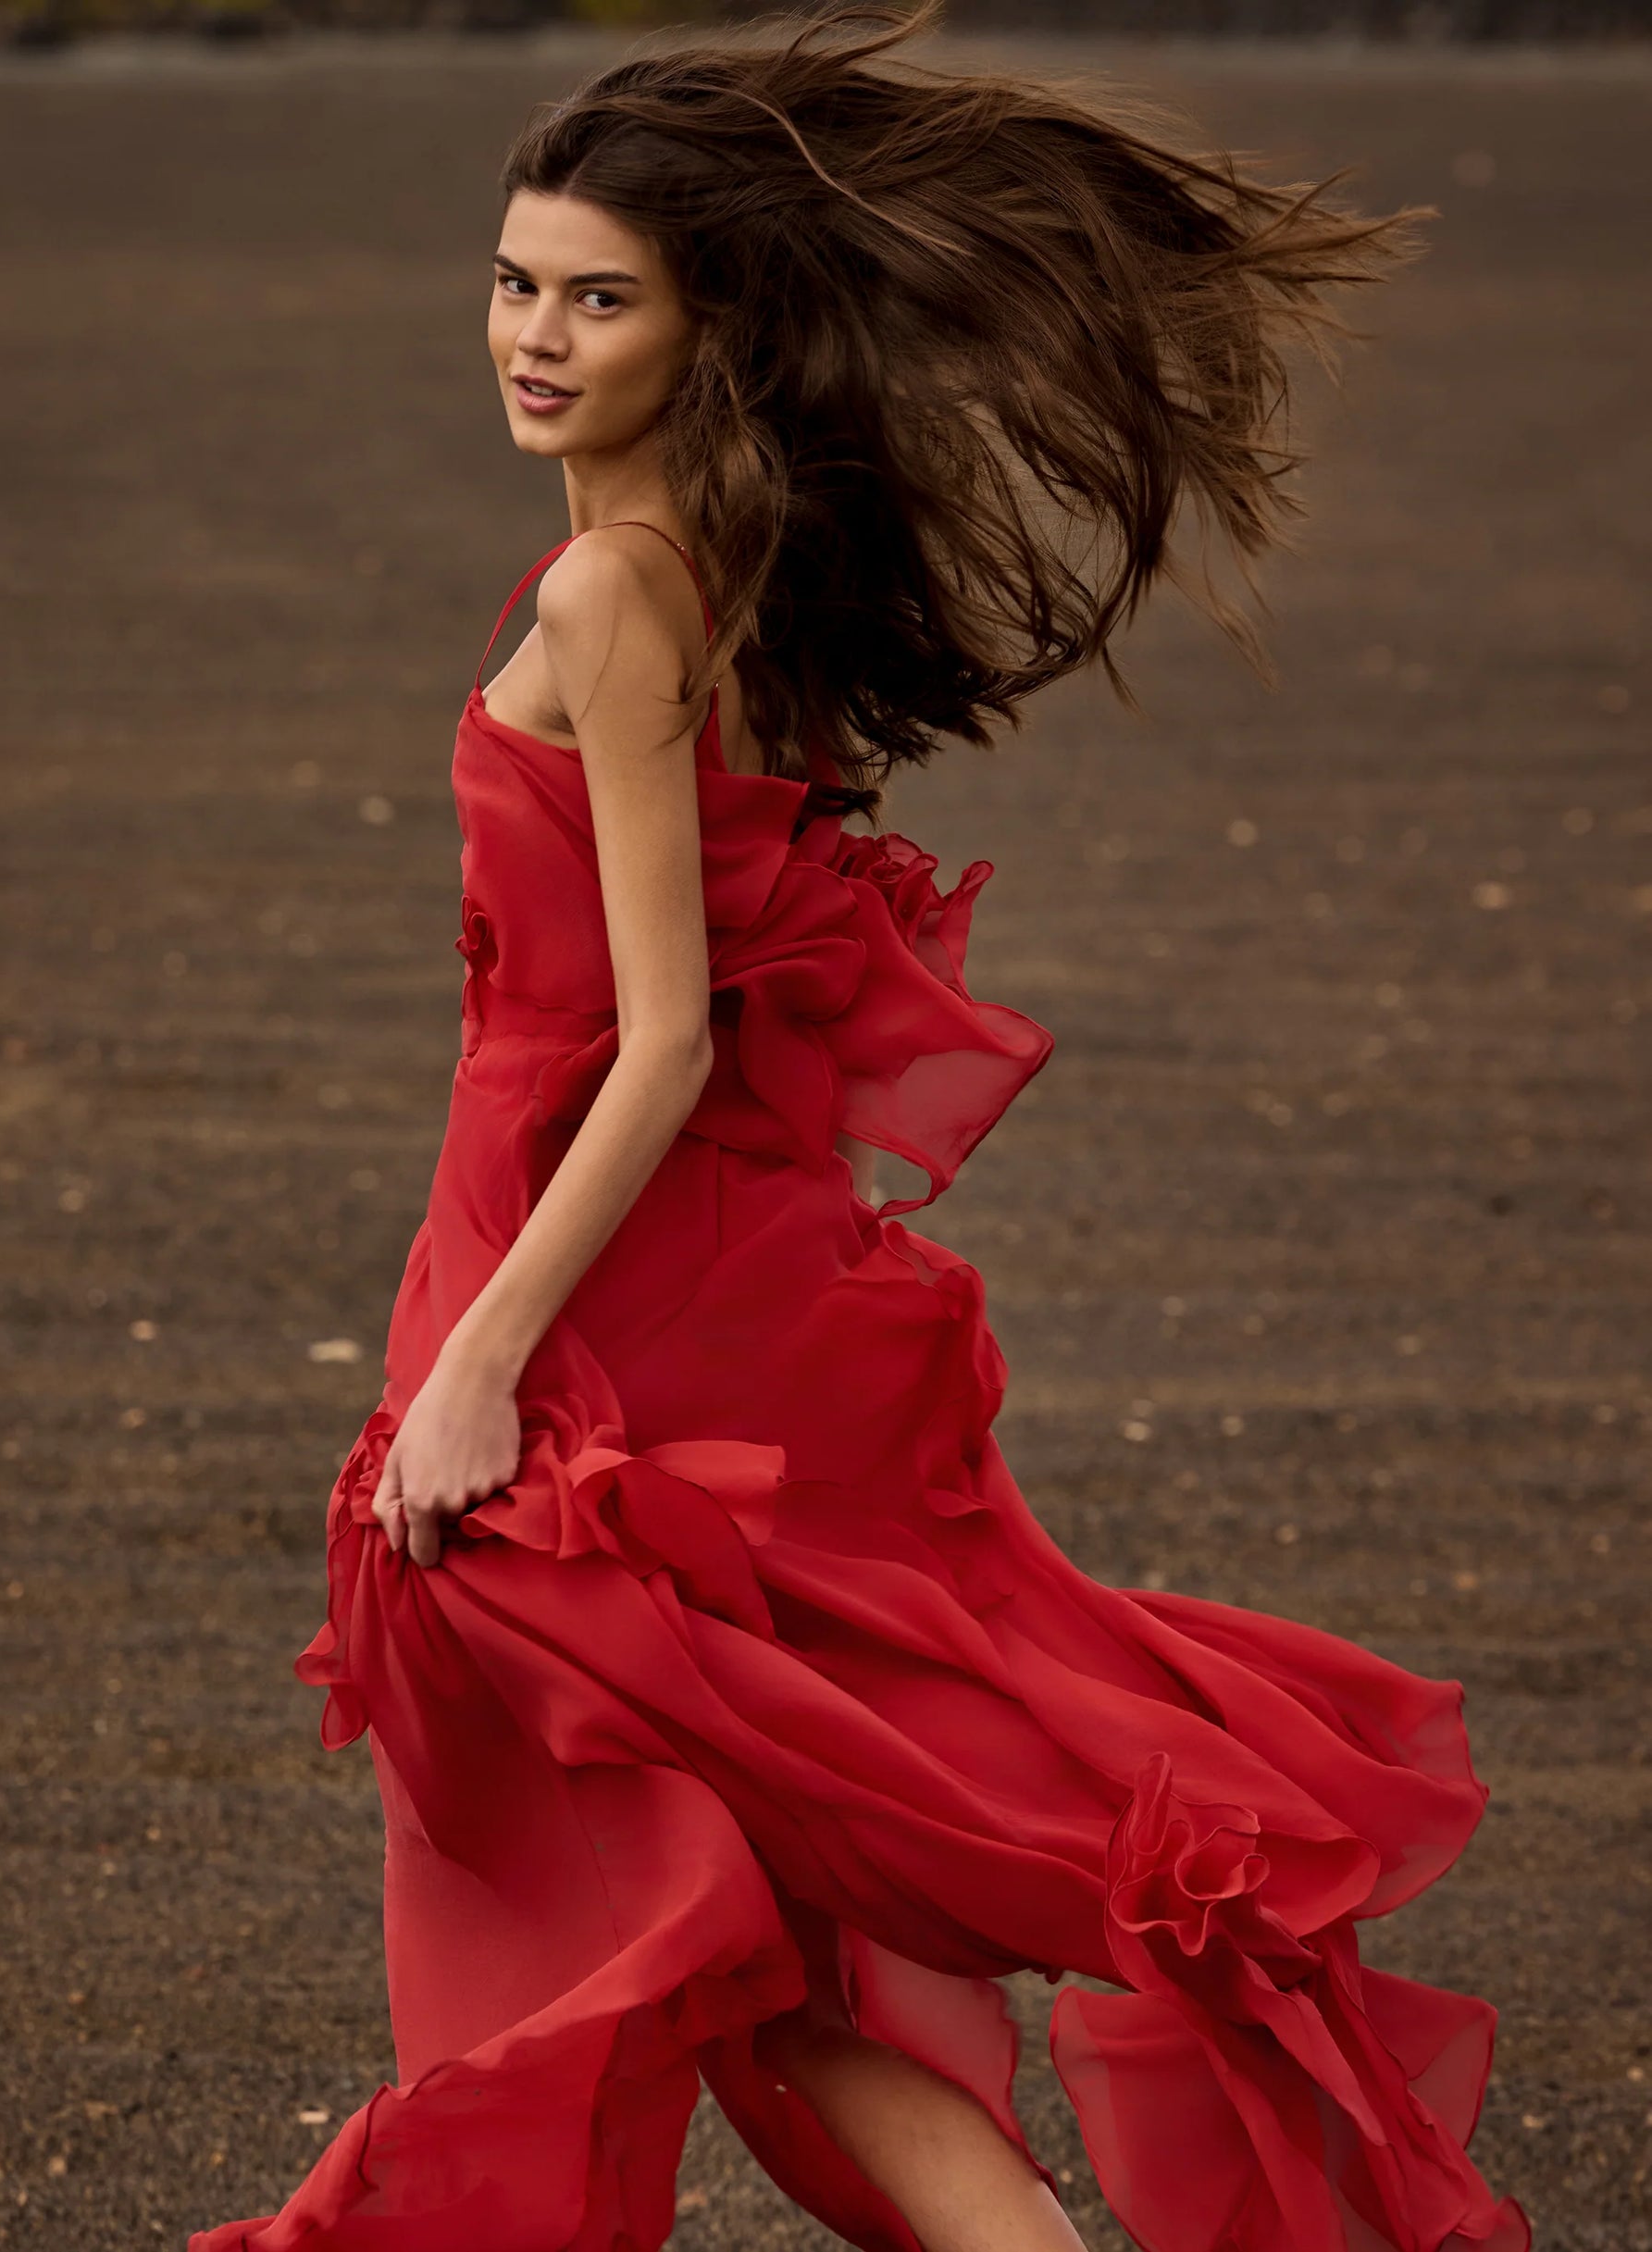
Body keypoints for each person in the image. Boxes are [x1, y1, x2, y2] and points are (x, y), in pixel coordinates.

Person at [192, 9, 1529, 2250]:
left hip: (595, 1317)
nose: (534, 335)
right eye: (513, 282)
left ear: (706, 327)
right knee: (763, 1953)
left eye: (597, 296)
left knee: (659, 1900)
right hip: (665, 1273)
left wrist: (481, 1366)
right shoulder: (716, 566)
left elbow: (661, 1041)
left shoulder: (614, 591)